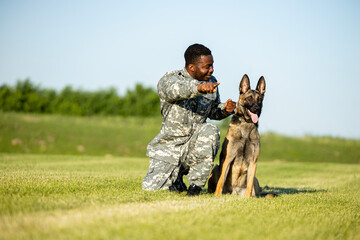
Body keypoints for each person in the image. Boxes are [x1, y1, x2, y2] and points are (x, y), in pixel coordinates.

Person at [142, 43, 236, 196]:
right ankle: (175, 179)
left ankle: (195, 188)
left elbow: (213, 112)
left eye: (212, 66)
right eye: (207, 66)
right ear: (192, 67)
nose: (211, 70)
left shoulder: (211, 81)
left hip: (194, 148)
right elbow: (174, 91)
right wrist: (198, 88)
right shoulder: (169, 80)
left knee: (210, 130)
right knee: (152, 191)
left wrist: (225, 110)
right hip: (169, 150)